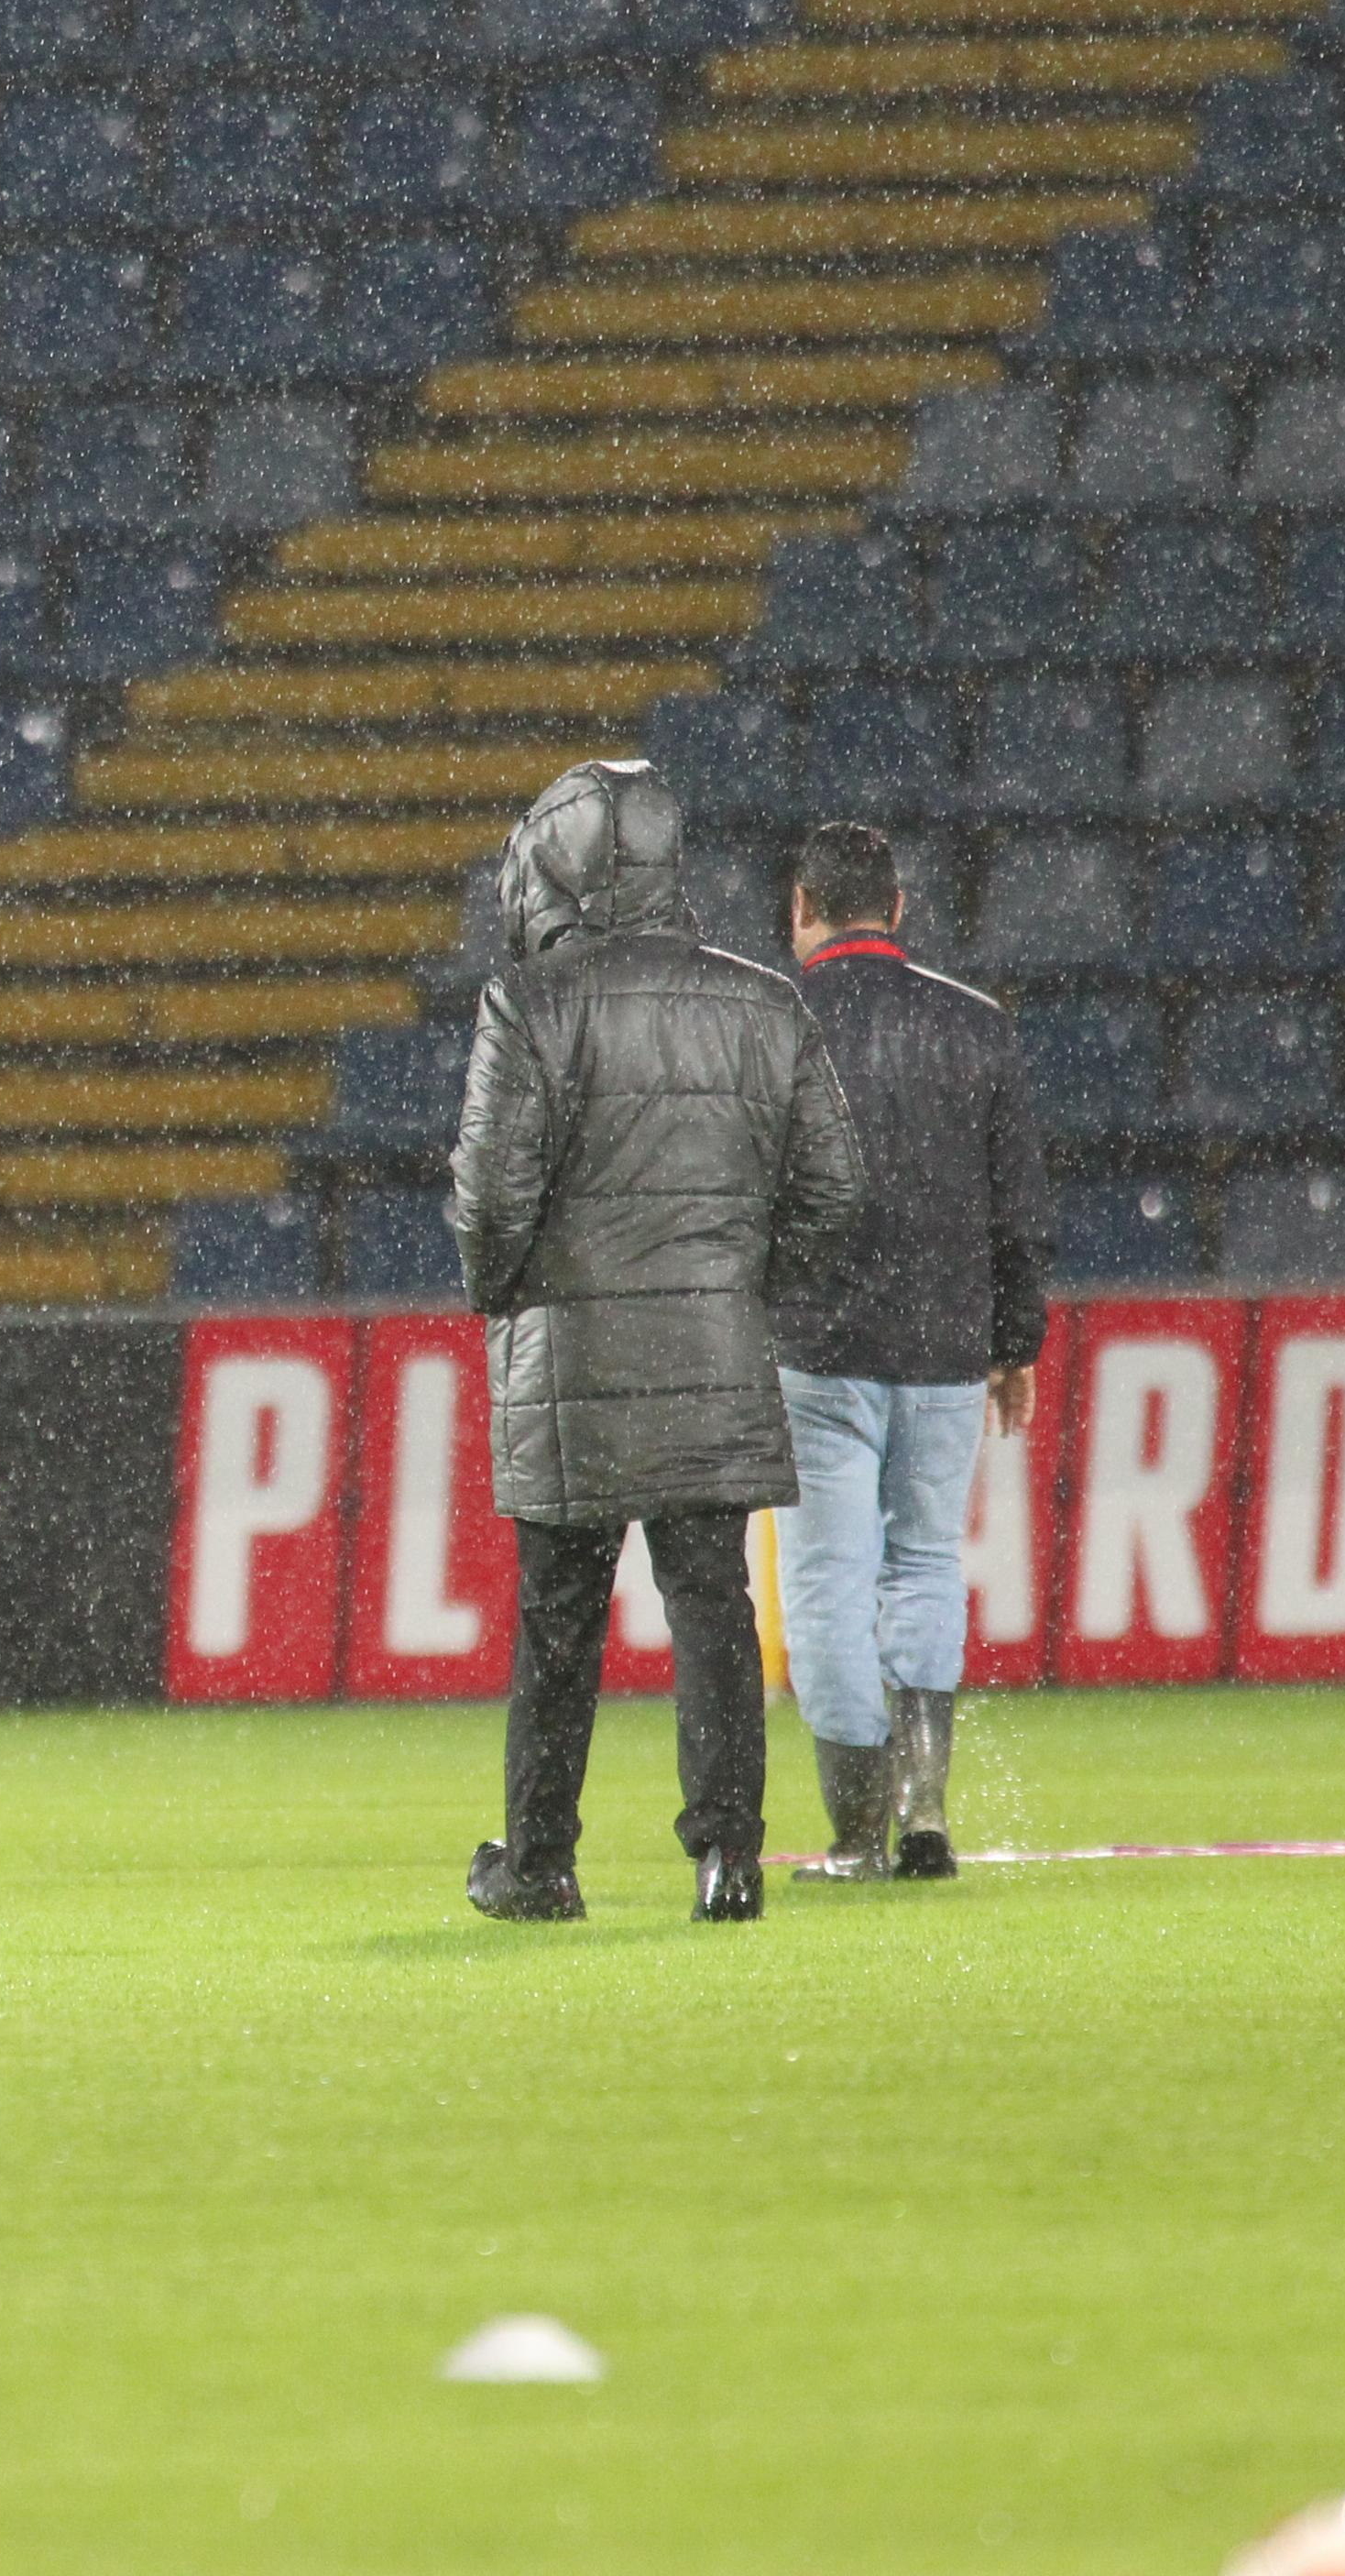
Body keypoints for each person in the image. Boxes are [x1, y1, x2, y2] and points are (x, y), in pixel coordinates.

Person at [452, 762, 867, 1924]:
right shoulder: (764, 1003)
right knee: (714, 1608)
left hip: (572, 1370)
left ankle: (542, 1865)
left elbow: (490, 1205)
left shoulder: (528, 1004)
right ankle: (729, 1862)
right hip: (713, 1358)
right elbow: (837, 1192)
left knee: (559, 1623)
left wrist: (511, 1295)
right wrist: (734, 1290)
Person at [771, 821, 1049, 1883]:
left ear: (802, 908)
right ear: (897, 908)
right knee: (927, 1560)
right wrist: (1012, 1338)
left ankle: (856, 1834)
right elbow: (1020, 1211)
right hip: (943, 1346)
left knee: (830, 1584)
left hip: (817, 1347)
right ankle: (926, 1813)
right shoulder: (974, 1026)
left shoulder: (779, 1024)